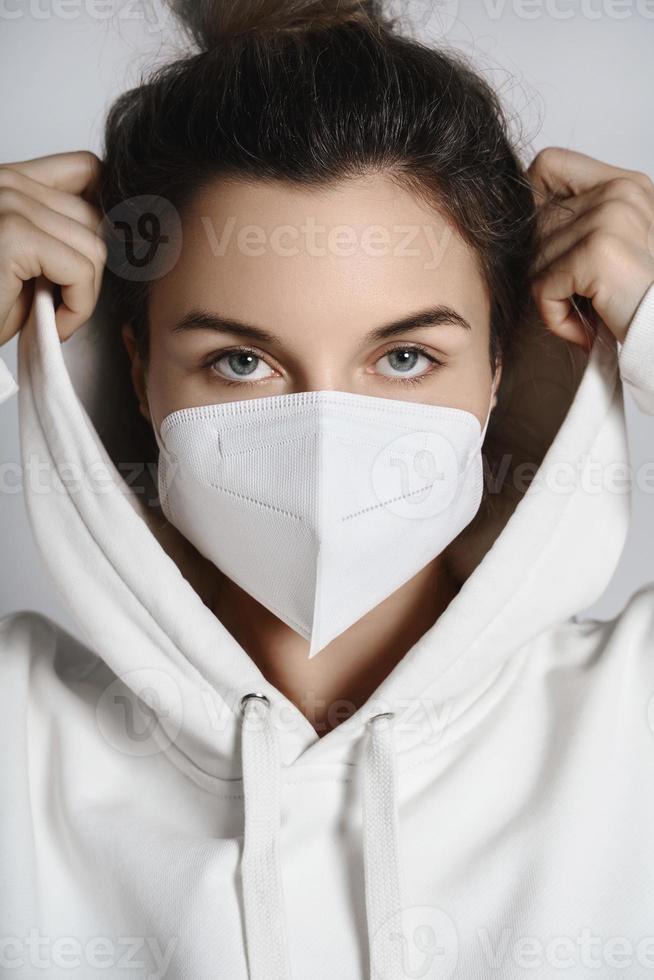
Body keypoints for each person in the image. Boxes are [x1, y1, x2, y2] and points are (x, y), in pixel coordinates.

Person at [1, 1, 654, 977]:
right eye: (239, 361)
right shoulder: (22, 736)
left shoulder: (631, 718)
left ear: (496, 372)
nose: (324, 430)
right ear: (138, 372)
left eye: (402, 355)